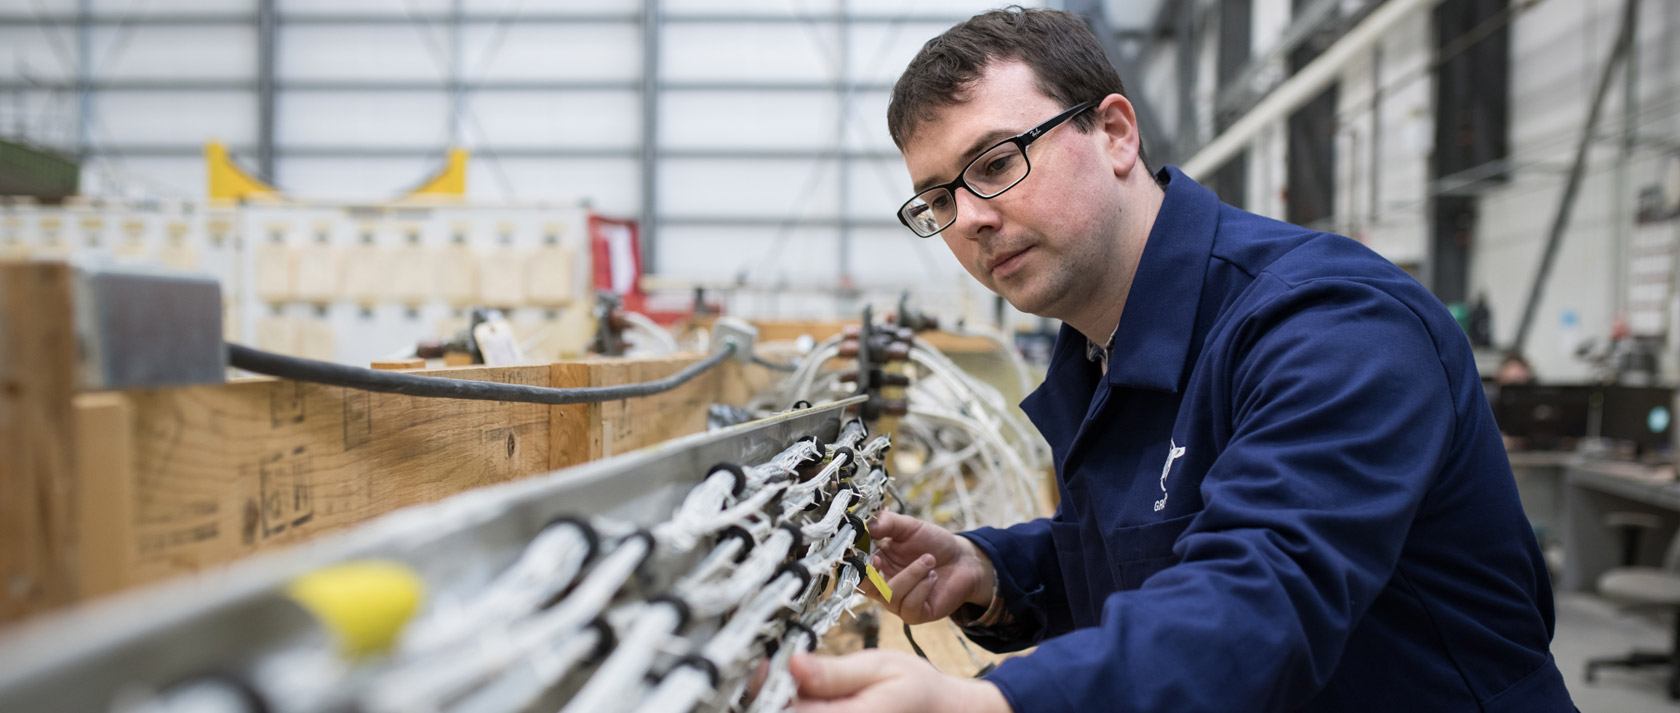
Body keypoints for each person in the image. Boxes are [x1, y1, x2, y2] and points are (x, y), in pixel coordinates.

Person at [784, 7, 1575, 713]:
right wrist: (989, 571)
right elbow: (1142, 554)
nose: (974, 220)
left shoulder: (1329, 320)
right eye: (940, 199)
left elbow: (1259, 593)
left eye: (995, 162)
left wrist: (995, 704)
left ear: (1116, 134)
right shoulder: (1103, 347)